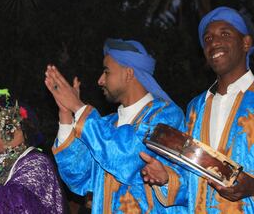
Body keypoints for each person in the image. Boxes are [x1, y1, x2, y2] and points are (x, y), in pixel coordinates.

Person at [140, 6, 254, 213]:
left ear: (245, 43)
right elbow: (196, 183)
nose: (214, 42)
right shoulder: (196, 108)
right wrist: (167, 178)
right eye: (208, 39)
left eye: (225, 34)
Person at [44, 38, 186, 213]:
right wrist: (65, 114)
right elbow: (77, 176)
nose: (100, 80)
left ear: (128, 73)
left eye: (106, 72)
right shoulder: (106, 124)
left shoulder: (166, 115)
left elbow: (127, 156)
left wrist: (78, 107)